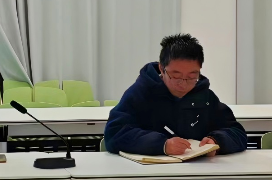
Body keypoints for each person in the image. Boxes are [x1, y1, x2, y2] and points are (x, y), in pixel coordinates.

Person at [104, 34, 247, 156]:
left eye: (192, 77)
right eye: (176, 76)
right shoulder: (141, 92)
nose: (183, 84)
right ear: (162, 68)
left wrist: (217, 141)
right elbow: (114, 134)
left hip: (198, 173)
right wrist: (162, 145)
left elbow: (237, 132)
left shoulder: (205, 97)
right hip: (151, 175)